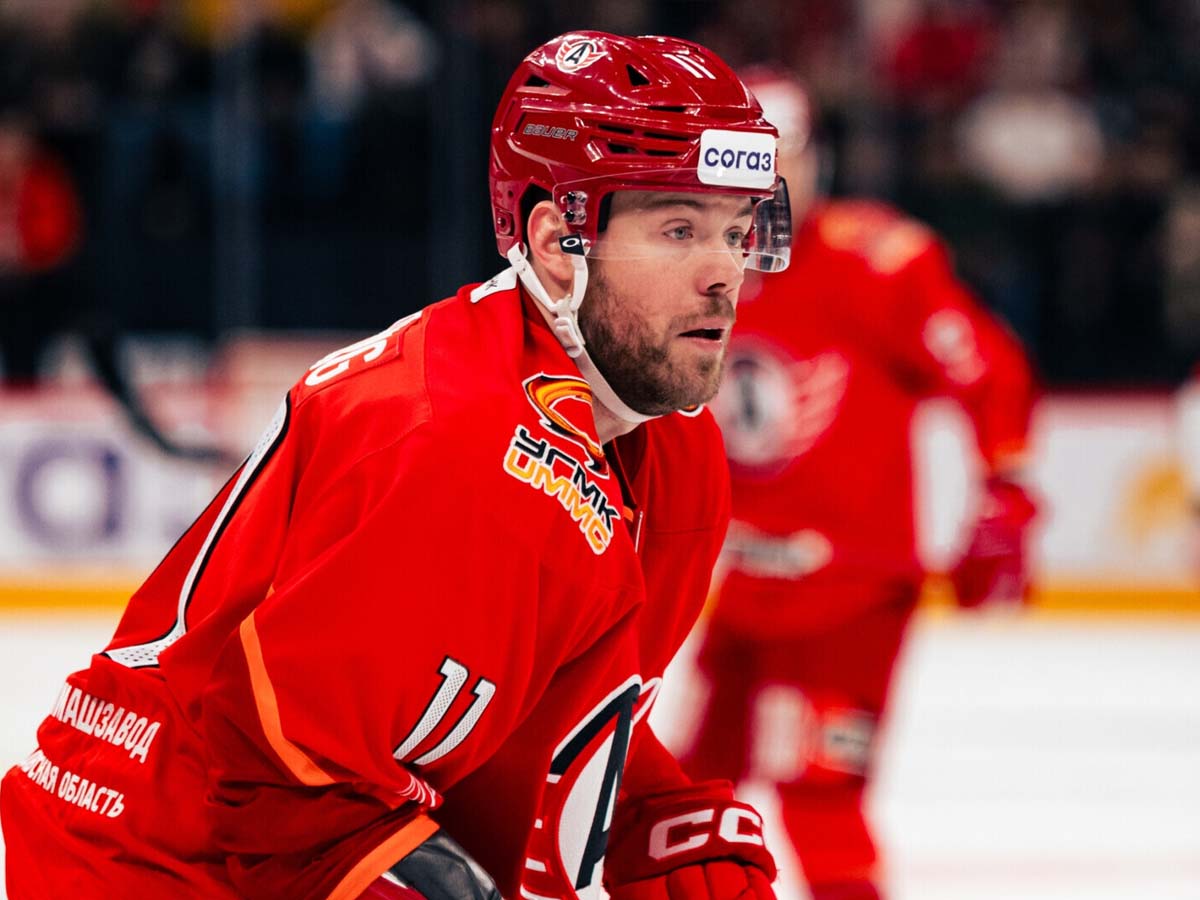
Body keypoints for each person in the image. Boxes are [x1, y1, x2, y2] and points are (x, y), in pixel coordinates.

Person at [1, 31, 794, 900]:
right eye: (679, 230)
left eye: (736, 230)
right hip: (144, 860)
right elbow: (281, 780)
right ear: (557, 241)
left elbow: (528, 704)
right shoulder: (457, 440)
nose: (726, 273)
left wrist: (657, 818)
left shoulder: (669, 447)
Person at [676, 68, 1038, 900]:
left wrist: (1006, 493)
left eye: (777, 160)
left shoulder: (874, 263)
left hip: (849, 596)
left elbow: (988, 371)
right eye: (738, 164)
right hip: (746, 596)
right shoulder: (692, 267)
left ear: (814, 161)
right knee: (687, 797)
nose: (761, 185)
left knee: (819, 797)